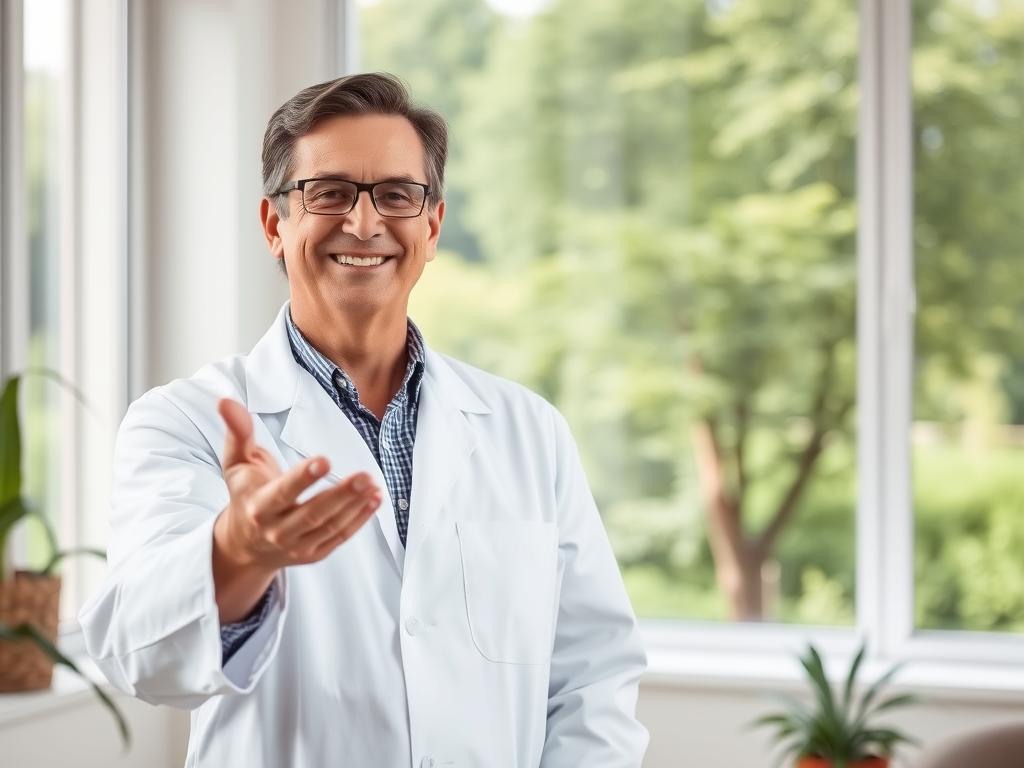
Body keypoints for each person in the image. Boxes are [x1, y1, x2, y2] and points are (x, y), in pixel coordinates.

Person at [79, 72, 648, 767]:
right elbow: (138, 653)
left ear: (431, 226)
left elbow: (594, 673)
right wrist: (238, 552)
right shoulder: (183, 423)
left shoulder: (529, 431)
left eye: (397, 196)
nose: (364, 222)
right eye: (329, 193)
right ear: (274, 226)